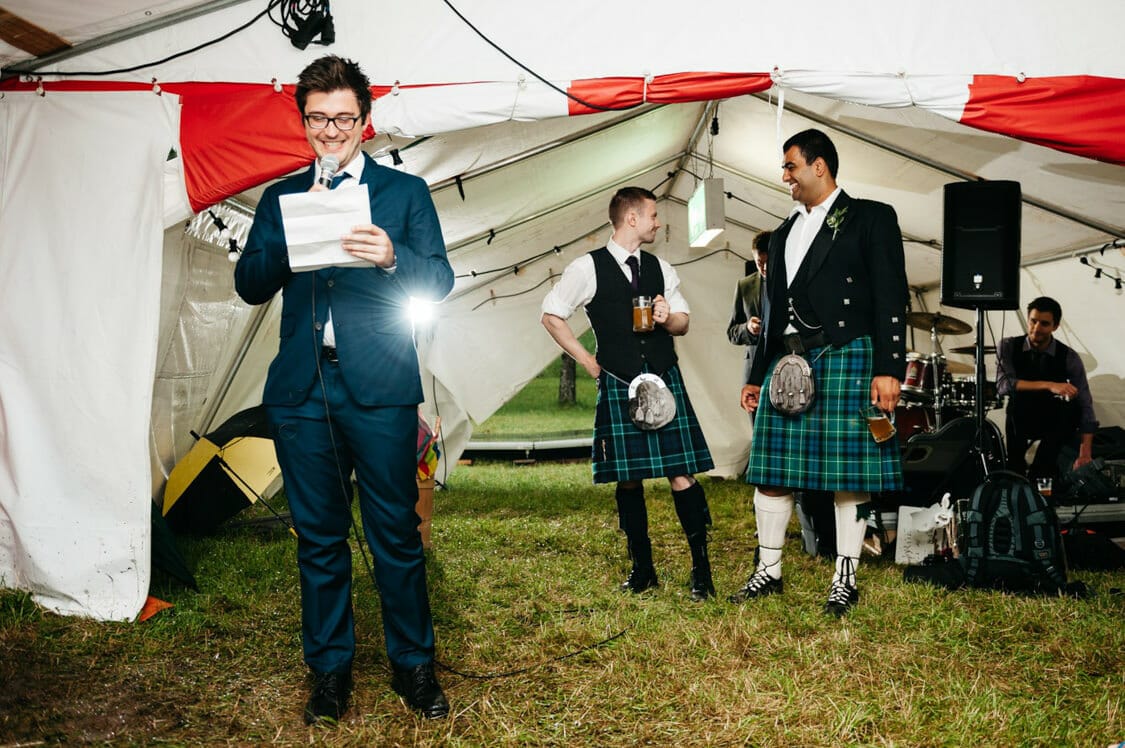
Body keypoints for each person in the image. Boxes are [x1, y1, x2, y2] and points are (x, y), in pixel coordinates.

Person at [234, 55, 453, 724]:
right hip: (302, 393)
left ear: (366, 121)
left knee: (395, 534)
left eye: (343, 118)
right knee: (319, 540)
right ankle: (329, 673)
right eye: (318, 118)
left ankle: (413, 667)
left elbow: (438, 281)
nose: (330, 131)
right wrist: (291, 238)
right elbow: (249, 284)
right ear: (304, 122)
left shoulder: (403, 194)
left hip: (381, 389)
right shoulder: (280, 198)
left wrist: (392, 257)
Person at [734, 128, 909, 616]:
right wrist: (759, 373)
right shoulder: (785, 230)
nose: (784, 175)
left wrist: (890, 367)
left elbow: (892, 296)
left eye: (790, 165)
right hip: (789, 362)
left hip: (848, 354)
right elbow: (773, 311)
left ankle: (845, 577)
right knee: (770, 469)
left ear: (819, 166)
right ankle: (768, 572)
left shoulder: (870, 218)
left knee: (847, 475)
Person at [541, 187, 716, 601]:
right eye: (653, 215)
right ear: (632, 219)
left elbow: (683, 323)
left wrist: (666, 316)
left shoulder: (661, 268)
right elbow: (551, 316)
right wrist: (587, 361)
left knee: (681, 473)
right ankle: (643, 570)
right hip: (620, 382)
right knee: (628, 478)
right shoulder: (587, 268)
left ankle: (701, 572)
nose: (658, 222)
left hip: (662, 379)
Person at [996, 296, 1097, 486]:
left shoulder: (1069, 356)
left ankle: (1040, 476)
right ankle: (1015, 479)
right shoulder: (1008, 346)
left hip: (1052, 420)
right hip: (1020, 416)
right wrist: (1049, 384)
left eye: (1044, 323)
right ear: (1028, 319)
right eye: (1033, 321)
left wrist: (1086, 452)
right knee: (1016, 406)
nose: (1036, 328)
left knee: (1072, 407)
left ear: (1055, 326)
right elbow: (1003, 386)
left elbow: (1086, 405)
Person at [726, 231, 771, 387]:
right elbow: (731, 333)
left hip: (783, 364)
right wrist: (748, 328)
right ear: (753, 257)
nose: (764, 267)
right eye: (759, 262)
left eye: (768, 262)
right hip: (753, 370)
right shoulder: (744, 285)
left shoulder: (789, 284)